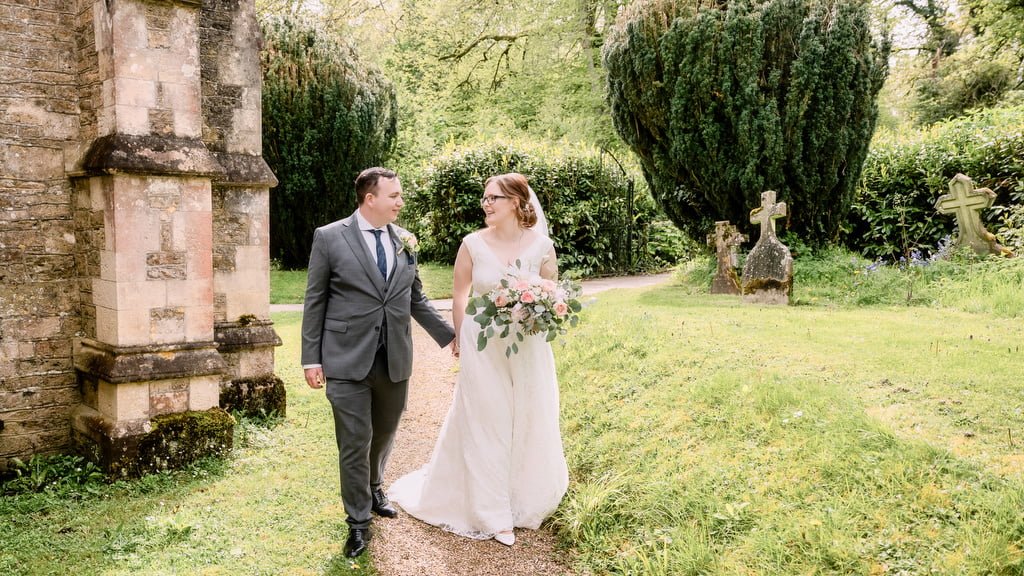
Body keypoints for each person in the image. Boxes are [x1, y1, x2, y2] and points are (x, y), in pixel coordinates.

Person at [388, 172, 569, 546]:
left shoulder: (542, 247)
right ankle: (492, 512)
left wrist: (541, 308)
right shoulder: (472, 244)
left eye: (494, 198)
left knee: (529, 415)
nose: (486, 204)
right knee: (486, 418)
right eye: (484, 198)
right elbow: (460, 296)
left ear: (517, 203)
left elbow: (553, 294)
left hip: (528, 344)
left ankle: (524, 499)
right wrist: (459, 338)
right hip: (483, 342)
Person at [301, 167, 456, 558]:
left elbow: (415, 298)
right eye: (395, 196)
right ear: (371, 198)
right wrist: (311, 359)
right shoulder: (330, 237)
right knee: (354, 442)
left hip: (394, 358)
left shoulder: (405, 240)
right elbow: (315, 300)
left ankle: (373, 486)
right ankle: (357, 523)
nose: (401, 202)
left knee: (384, 433)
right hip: (345, 360)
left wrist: (452, 336)